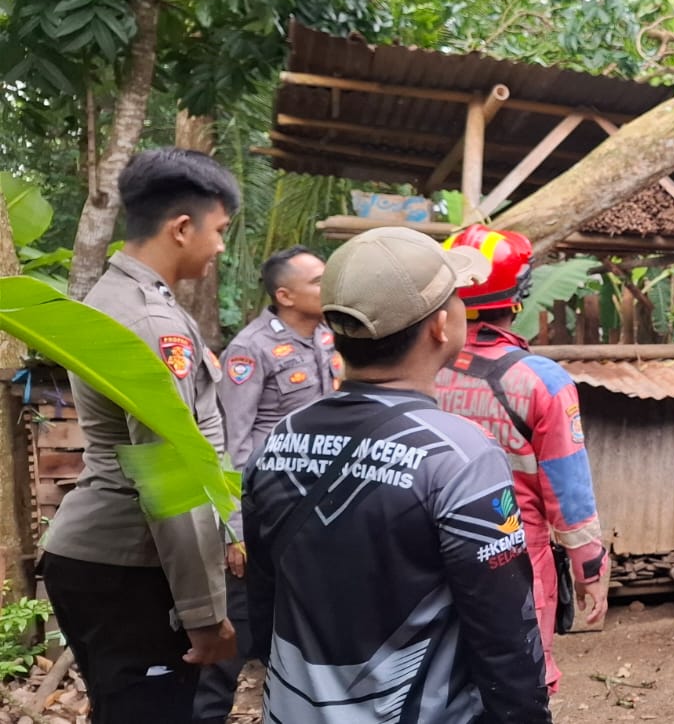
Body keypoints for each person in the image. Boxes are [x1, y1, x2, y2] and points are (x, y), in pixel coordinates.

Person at [242, 227, 552, 723]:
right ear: (440, 326)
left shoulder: (279, 440)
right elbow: (504, 634)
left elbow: (262, 602)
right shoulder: (459, 457)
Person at [40, 148, 239, 722]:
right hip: (127, 566)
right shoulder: (150, 321)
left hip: (106, 559)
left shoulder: (124, 298)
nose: (222, 245)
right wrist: (204, 612)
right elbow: (168, 469)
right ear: (182, 227)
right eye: (219, 230)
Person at [433, 224, 609, 694]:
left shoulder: (414, 368)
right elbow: (568, 491)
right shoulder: (541, 381)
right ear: (518, 298)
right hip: (515, 558)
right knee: (518, 684)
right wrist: (591, 567)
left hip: (423, 552)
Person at [194, 246, 339, 724]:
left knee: (301, 634)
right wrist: (234, 530)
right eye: (317, 280)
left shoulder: (327, 338)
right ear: (285, 295)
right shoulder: (250, 349)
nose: (328, 284)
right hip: (265, 513)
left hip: (317, 513)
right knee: (238, 637)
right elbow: (233, 443)